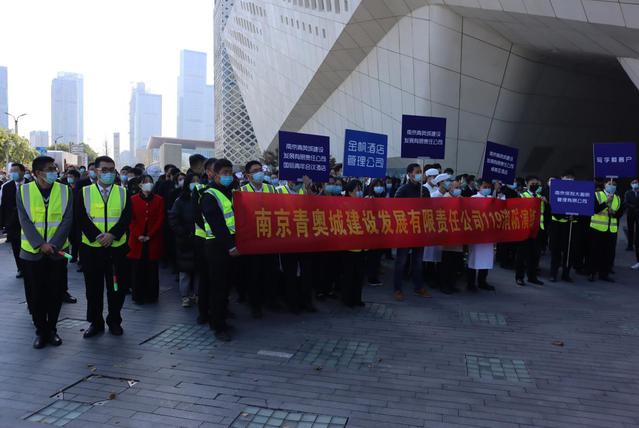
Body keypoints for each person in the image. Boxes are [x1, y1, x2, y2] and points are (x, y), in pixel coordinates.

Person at [16, 156, 73, 348]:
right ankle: (40, 330)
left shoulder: (65, 190)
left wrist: (53, 244)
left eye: (54, 168)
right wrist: (40, 244)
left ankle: (52, 329)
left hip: (57, 252)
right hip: (32, 253)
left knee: (55, 293)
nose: (54, 171)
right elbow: (24, 220)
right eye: (50, 169)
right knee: (36, 294)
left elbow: (67, 219)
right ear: (38, 173)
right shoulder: (23, 191)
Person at [78, 156, 131, 338]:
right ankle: (96, 322)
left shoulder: (123, 192)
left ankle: (114, 320)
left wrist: (112, 235)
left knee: (117, 287)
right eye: (104, 170)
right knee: (93, 289)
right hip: (92, 248)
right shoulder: (84, 192)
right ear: (96, 171)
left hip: (117, 248)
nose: (109, 173)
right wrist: (98, 236)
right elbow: (81, 217)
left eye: (112, 170)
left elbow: (126, 217)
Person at [198, 158, 237, 341]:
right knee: (218, 287)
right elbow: (217, 224)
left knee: (226, 285)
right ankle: (218, 326)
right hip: (217, 246)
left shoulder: (230, 192)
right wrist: (231, 245)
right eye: (224, 173)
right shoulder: (209, 195)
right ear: (215, 175)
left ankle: (221, 319)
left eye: (230, 172)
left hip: (230, 244)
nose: (228, 176)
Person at [239, 160, 280, 318]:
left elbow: (278, 209)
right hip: (252, 239)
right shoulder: (242, 191)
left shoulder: (271, 188)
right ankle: (255, 305)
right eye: (255, 170)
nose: (259, 173)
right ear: (248, 175)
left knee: (270, 271)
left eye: (260, 169)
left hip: (269, 237)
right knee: (253, 273)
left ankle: (271, 300)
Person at [393, 163, 430, 301]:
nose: (420, 174)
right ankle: (397, 289)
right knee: (401, 261)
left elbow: (429, 210)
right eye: (417, 171)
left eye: (421, 171)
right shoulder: (402, 190)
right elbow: (395, 210)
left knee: (418, 261)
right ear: (409, 174)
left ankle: (418, 287)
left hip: (419, 231)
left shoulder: (424, 191)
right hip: (405, 231)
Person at [128, 176, 165, 304]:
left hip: (152, 239)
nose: (148, 184)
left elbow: (160, 218)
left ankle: (151, 295)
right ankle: (138, 295)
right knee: (137, 269)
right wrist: (138, 234)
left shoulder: (159, 199)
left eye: (150, 182)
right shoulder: (133, 199)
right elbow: (130, 220)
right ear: (140, 185)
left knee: (152, 268)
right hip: (136, 240)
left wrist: (150, 234)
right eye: (145, 182)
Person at [169, 173, 200, 307]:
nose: (196, 183)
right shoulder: (180, 200)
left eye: (198, 180)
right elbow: (173, 219)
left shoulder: (203, 197)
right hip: (185, 240)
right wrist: (183, 232)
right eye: (193, 181)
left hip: (200, 239)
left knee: (199, 270)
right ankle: (185, 296)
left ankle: (198, 294)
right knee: (185, 271)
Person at [339, 180, 366, 307]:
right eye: (357, 189)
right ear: (350, 192)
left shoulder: (362, 204)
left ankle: (357, 298)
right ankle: (347, 299)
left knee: (359, 274)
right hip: (348, 246)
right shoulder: (344, 204)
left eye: (360, 189)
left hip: (361, 246)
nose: (359, 192)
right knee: (348, 274)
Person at [589, 179, 622, 282]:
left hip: (611, 229)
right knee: (595, 251)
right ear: (605, 185)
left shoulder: (617, 198)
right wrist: (606, 202)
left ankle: (604, 274)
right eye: (609, 184)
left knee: (608, 253)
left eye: (614, 184)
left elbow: (620, 213)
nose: (612, 186)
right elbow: (594, 209)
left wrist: (614, 213)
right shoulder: (597, 194)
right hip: (597, 228)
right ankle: (592, 272)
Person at [515, 176, 545, 287]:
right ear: (526, 183)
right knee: (522, 254)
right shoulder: (522, 195)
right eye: (532, 183)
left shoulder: (540, 197)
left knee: (535, 254)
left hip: (538, 229)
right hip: (526, 229)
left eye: (536, 184)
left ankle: (532, 277)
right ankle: (519, 277)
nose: (535, 185)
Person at [549, 171, 578, 283]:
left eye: (571, 178)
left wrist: (574, 216)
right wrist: (566, 215)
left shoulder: (577, 191)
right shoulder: (555, 190)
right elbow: (553, 209)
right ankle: (553, 273)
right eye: (567, 177)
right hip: (557, 225)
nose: (569, 180)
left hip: (570, 226)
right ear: (562, 178)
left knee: (569, 251)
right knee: (555, 251)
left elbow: (582, 207)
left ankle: (566, 274)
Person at [0, 163, 28, 278]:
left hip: (29, 222)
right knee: (16, 247)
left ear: (23, 171)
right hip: (13, 223)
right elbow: (3, 206)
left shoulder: (32, 184)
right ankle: (20, 268)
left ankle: (30, 268)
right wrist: (2, 224)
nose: (13, 173)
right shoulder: (6, 187)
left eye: (15, 171)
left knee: (29, 246)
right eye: (11, 171)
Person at [467, 180, 496, 292]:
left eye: (489, 187)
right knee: (473, 258)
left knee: (486, 259)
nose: (487, 189)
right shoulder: (473, 198)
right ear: (479, 187)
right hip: (476, 233)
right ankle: (470, 283)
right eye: (485, 186)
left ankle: (482, 281)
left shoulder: (492, 199)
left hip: (488, 233)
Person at [624, 178, 638, 252]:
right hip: (630, 213)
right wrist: (633, 207)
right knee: (630, 230)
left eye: (636, 182)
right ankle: (630, 246)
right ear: (631, 184)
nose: (635, 184)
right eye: (634, 183)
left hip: (638, 213)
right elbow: (626, 202)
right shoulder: (628, 193)